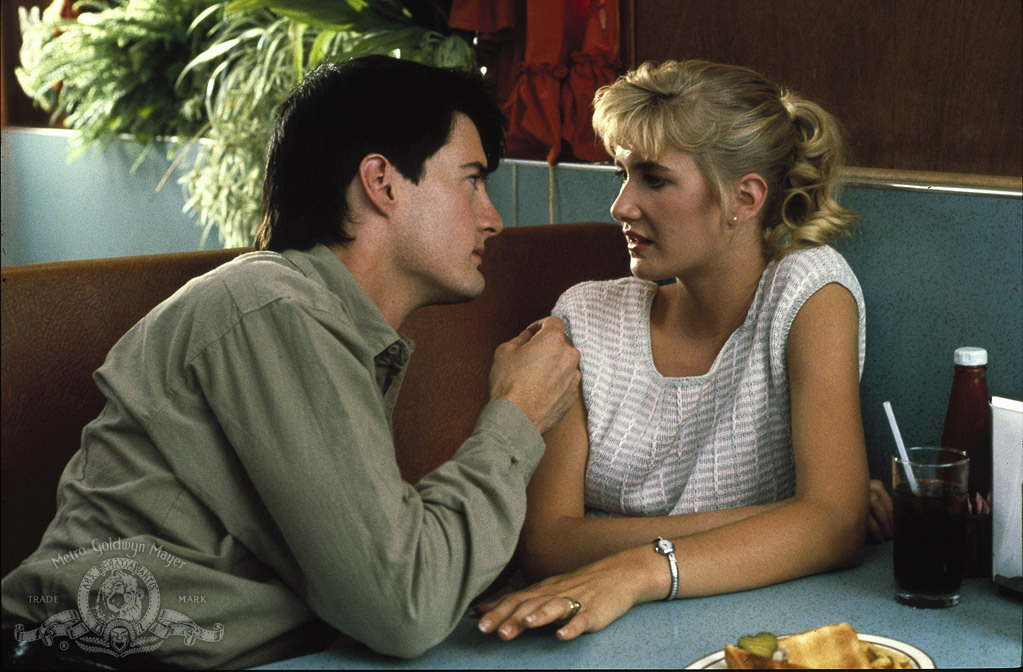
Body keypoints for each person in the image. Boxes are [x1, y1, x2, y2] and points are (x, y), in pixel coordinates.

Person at [1, 55, 581, 668]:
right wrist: (517, 414)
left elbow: (376, 586)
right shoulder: (272, 306)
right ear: (381, 183)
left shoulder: (327, 321)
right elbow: (404, 604)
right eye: (472, 181)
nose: (493, 219)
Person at [475, 59, 894, 641]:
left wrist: (639, 569)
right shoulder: (585, 316)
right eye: (622, 173)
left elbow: (834, 530)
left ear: (744, 198)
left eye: (654, 179)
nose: (621, 206)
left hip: (748, 632)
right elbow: (547, 544)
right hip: (581, 636)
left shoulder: (808, 293)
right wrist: (797, 517)